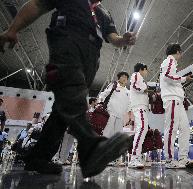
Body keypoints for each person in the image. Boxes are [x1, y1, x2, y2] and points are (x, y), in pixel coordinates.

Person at [0, 0, 136, 177]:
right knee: (71, 91)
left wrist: (123, 40)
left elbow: (112, 37)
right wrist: (13, 28)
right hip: (66, 39)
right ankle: (90, 147)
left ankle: (38, 157)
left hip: (91, 55)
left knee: (63, 109)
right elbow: (38, 4)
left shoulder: (103, 13)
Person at [159, 43, 193, 169]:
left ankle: (183, 158)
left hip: (177, 100)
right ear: (177, 51)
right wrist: (184, 78)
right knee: (172, 128)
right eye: (181, 52)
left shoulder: (171, 63)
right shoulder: (169, 60)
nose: (181, 55)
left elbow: (170, 77)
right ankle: (169, 159)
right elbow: (167, 77)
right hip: (172, 99)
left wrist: (181, 79)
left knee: (185, 128)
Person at [128, 63, 149, 169]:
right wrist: (145, 90)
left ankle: (137, 156)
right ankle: (134, 158)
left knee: (142, 129)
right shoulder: (136, 75)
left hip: (142, 106)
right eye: (146, 70)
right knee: (142, 129)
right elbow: (135, 86)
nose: (147, 72)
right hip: (139, 106)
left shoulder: (140, 78)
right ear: (142, 69)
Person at [98, 71, 131, 138]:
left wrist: (129, 115)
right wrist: (100, 102)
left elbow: (129, 104)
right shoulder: (113, 86)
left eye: (126, 78)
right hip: (110, 113)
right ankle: (104, 146)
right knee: (107, 132)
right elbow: (103, 94)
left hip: (121, 116)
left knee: (117, 135)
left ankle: (114, 147)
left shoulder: (128, 92)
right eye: (123, 77)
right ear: (119, 78)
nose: (125, 78)